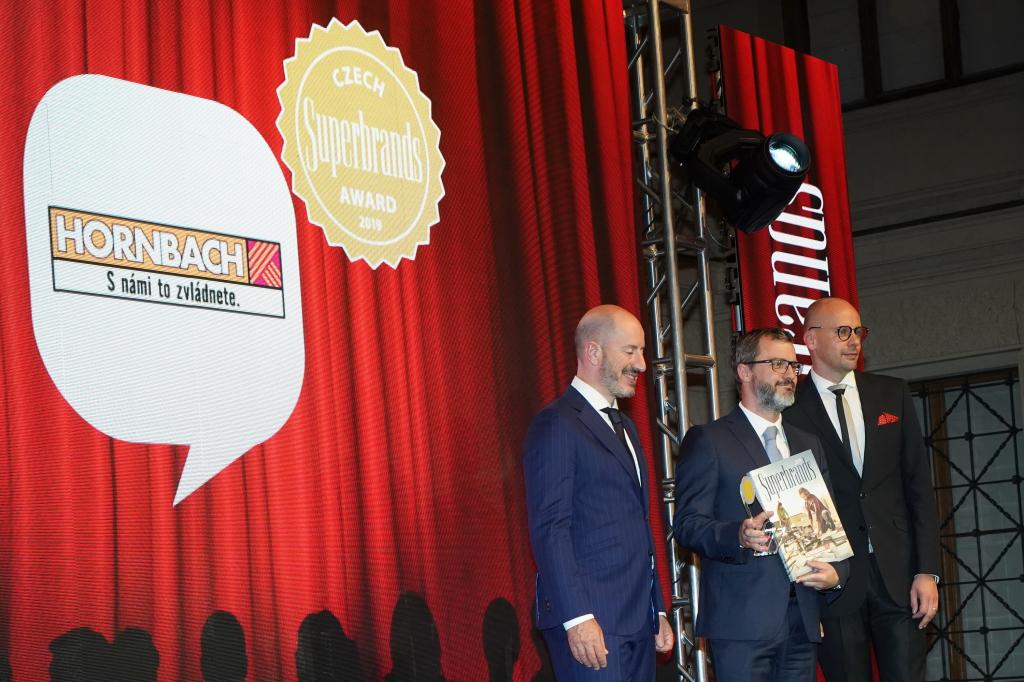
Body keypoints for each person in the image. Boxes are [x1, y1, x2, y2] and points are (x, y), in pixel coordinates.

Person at [673, 327, 848, 681]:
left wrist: (837, 575)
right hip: (741, 622)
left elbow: (829, 521)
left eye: (794, 366)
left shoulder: (808, 443)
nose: (789, 374)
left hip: (802, 620)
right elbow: (687, 525)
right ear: (744, 371)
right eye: (778, 364)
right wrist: (737, 535)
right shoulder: (710, 440)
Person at [784, 296, 940, 682]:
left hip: (899, 573)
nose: (854, 340)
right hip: (834, 579)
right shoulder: (788, 407)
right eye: (842, 332)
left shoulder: (892, 393)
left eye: (858, 331)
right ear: (811, 340)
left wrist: (927, 572)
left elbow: (919, 487)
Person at [523, 304, 673, 680]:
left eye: (642, 351)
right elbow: (550, 528)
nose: (641, 364)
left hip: (637, 620)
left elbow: (638, 523)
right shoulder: (557, 424)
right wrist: (577, 617)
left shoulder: (626, 427)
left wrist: (656, 608)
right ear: (593, 351)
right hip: (592, 621)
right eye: (630, 351)